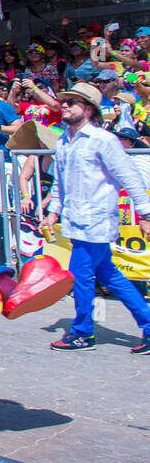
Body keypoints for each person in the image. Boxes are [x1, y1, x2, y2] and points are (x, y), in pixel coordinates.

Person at [42, 82, 150, 353]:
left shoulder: (104, 140)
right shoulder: (64, 141)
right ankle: (148, 325)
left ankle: (82, 333)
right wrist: (53, 211)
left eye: (72, 102)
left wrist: (146, 213)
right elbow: (60, 183)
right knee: (111, 276)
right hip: (76, 220)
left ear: (88, 110)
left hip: (96, 221)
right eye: (64, 101)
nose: (64, 106)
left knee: (80, 276)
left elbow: (130, 177)